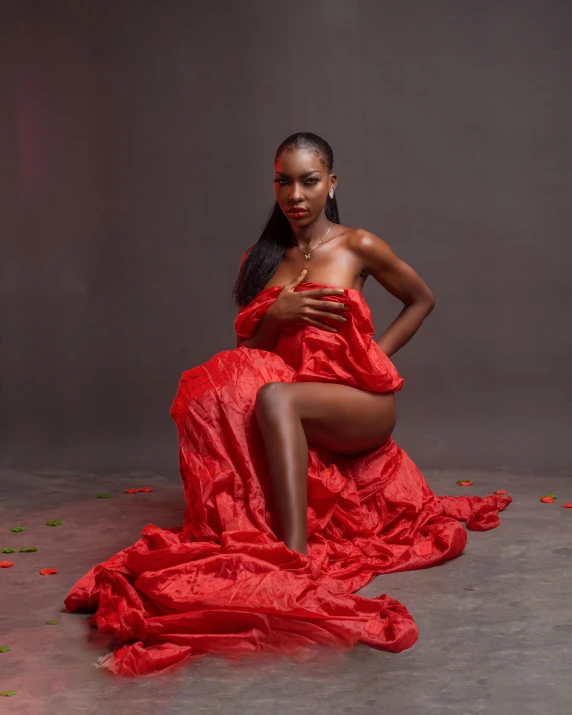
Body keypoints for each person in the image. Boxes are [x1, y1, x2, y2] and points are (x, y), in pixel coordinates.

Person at [64, 132, 511, 677]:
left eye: (309, 180)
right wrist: (279, 315)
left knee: (274, 397)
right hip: (300, 401)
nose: (295, 194)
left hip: (359, 403)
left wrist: (374, 357)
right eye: (283, 181)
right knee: (220, 388)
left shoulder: (357, 245)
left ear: (331, 184)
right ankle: (273, 535)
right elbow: (247, 358)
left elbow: (422, 300)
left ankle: (294, 559)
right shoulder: (262, 259)